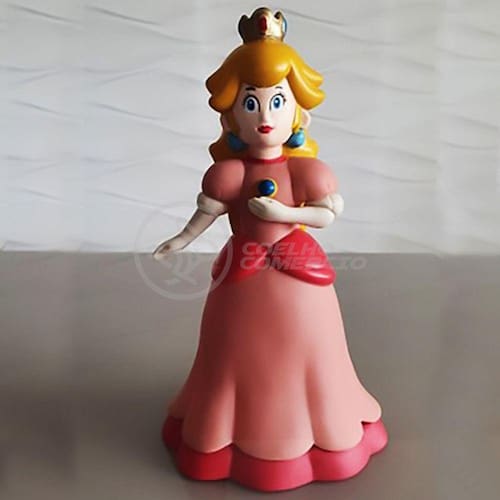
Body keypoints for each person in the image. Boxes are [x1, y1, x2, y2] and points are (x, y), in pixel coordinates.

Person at [153, 7, 388, 492]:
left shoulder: (305, 172)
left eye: (277, 101)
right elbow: (206, 215)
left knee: (311, 354)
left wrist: (283, 214)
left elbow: (325, 215)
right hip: (240, 282)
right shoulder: (230, 174)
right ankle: (225, 430)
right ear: (231, 115)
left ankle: (322, 431)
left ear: (298, 111)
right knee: (233, 355)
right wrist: (180, 240)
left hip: (301, 282)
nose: (265, 117)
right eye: (252, 102)